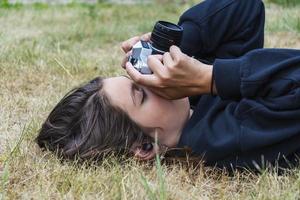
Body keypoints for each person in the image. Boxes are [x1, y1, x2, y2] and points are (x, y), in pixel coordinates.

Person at [36, 0, 300, 170]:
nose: (151, 75)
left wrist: (177, 45)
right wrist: (210, 78)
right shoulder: (227, 139)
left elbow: (245, 9)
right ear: (145, 147)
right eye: (140, 93)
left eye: (136, 77)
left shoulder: (192, 108)